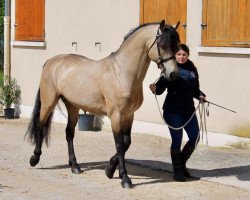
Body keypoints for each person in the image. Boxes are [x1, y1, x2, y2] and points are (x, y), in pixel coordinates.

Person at [149, 44, 206, 182]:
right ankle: (178, 171)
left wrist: (201, 96)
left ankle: (181, 164)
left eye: (184, 55)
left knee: (195, 137)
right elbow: (160, 89)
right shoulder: (170, 69)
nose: (181, 57)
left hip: (188, 111)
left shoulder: (192, 70)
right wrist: (154, 88)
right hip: (173, 111)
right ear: (175, 55)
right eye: (179, 54)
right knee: (177, 140)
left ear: (188, 55)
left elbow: (195, 90)